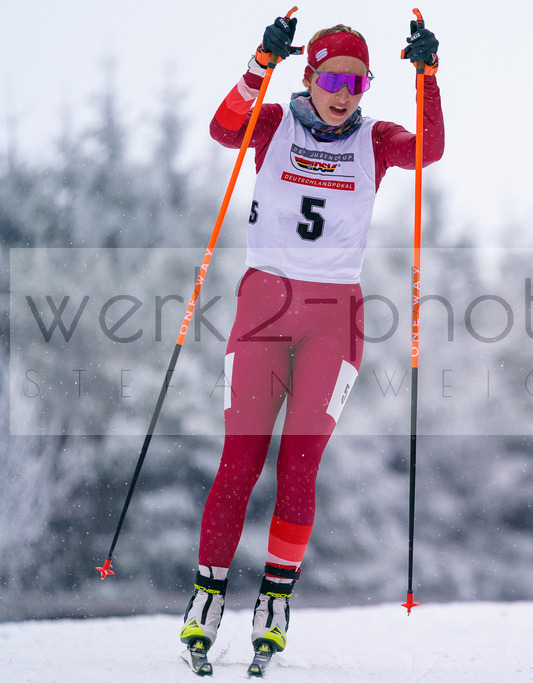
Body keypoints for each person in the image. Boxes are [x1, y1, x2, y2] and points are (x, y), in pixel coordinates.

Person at [179, 14, 443, 660]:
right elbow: (222, 129)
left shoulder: (376, 140)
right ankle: (206, 600)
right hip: (263, 308)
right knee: (240, 459)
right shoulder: (274, 123)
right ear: (311, 75)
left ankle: (274, 602)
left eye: (357, 81)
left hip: (335, 318)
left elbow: (428, 150)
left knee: (300, 462)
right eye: (332, 77)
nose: (344, 92)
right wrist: (255, 67)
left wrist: (428, 78)